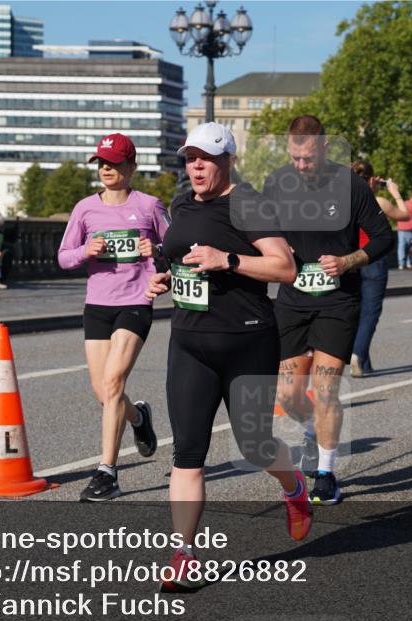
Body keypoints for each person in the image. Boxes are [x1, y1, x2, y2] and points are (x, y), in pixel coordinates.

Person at [145, 122, 311, 589]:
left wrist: (230, 260)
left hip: (247, 340)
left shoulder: (248, 203)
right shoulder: (181, 204)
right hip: (190, 341)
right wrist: (165, 278)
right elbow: (178, 259)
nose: (196, 166)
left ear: (227, 159)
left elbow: (285, 268)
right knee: (187, 454)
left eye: (206, 158)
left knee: (255, 445)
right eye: (189, 158)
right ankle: (185, 554)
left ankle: (293, 486)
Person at [262, 115, 394, 505]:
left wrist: (349, 260)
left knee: (325, 390)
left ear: (322, 148)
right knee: (287, 396)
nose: (300, 166)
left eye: (307, 158)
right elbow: (258, 231)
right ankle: (312, 431)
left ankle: (325, 473)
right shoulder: (277, 183)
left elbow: (384, 237)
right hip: (292, 299)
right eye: (294, 158)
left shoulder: (350, 186)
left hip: (338, 300)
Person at [57, 133, 164, 501]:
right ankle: (139, 418)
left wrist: (158, 250)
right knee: (104, 392)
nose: (107, 169)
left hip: (136, 302)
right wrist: (87, 250)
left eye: (115, 163)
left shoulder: (149, 206)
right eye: (102, 163)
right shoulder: (85, 209)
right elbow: (64, 257)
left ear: (131, 167)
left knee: (115, 380)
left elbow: (177, 252)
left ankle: (107, 473)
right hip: (98, 304)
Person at [350, 160, 410, 378]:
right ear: (372, 179)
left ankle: (364, 361)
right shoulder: (378, 201)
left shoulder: (344, 200)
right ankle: (357, 354)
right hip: (374, 259)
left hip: (351, 260)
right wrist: (395, 192)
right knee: (370, 312)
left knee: (356, 310)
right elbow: (405, 215)